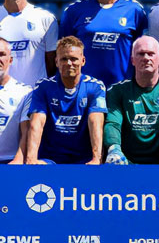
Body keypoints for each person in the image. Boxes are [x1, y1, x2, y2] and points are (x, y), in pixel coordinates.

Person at [59, 0, 148, 87]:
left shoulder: (134, 11)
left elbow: (144, 52)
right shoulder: (74, 11)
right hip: (85, 91)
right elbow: (61, 55)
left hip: (122, 92)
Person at [103, 36, 159, 165]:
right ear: (132, 60)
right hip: (127, 164)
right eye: (141, 54)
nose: (146, 58)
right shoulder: (117, 91)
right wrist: (114, 149)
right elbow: (113, 123)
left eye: (151, 54)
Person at [24, 36, 107, 164]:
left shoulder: (95, 86)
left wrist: (96, 159)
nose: (69, 63)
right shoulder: (43, 86)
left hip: (83, 161)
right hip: (50, 160)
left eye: (74, 59)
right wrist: (31, 159)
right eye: (64, 59)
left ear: (83, 61)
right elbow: (37, 123)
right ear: (56, 61)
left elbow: (95, 122)